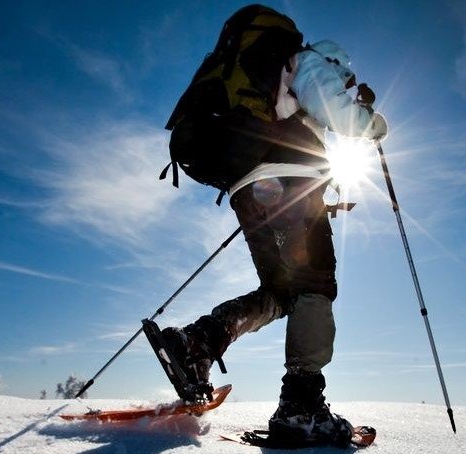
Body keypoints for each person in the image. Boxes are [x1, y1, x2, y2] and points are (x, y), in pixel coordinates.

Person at [159, 24, 387, 446]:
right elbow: (336, 111)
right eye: (347, 79)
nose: (347, 85)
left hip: (250, 190)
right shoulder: (312, 61)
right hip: (287, 184)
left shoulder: (273, 78)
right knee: (315, 286)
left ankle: (199, 342)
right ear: (337, 63)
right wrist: (371, 123)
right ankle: (301, 407)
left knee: (282, 292)